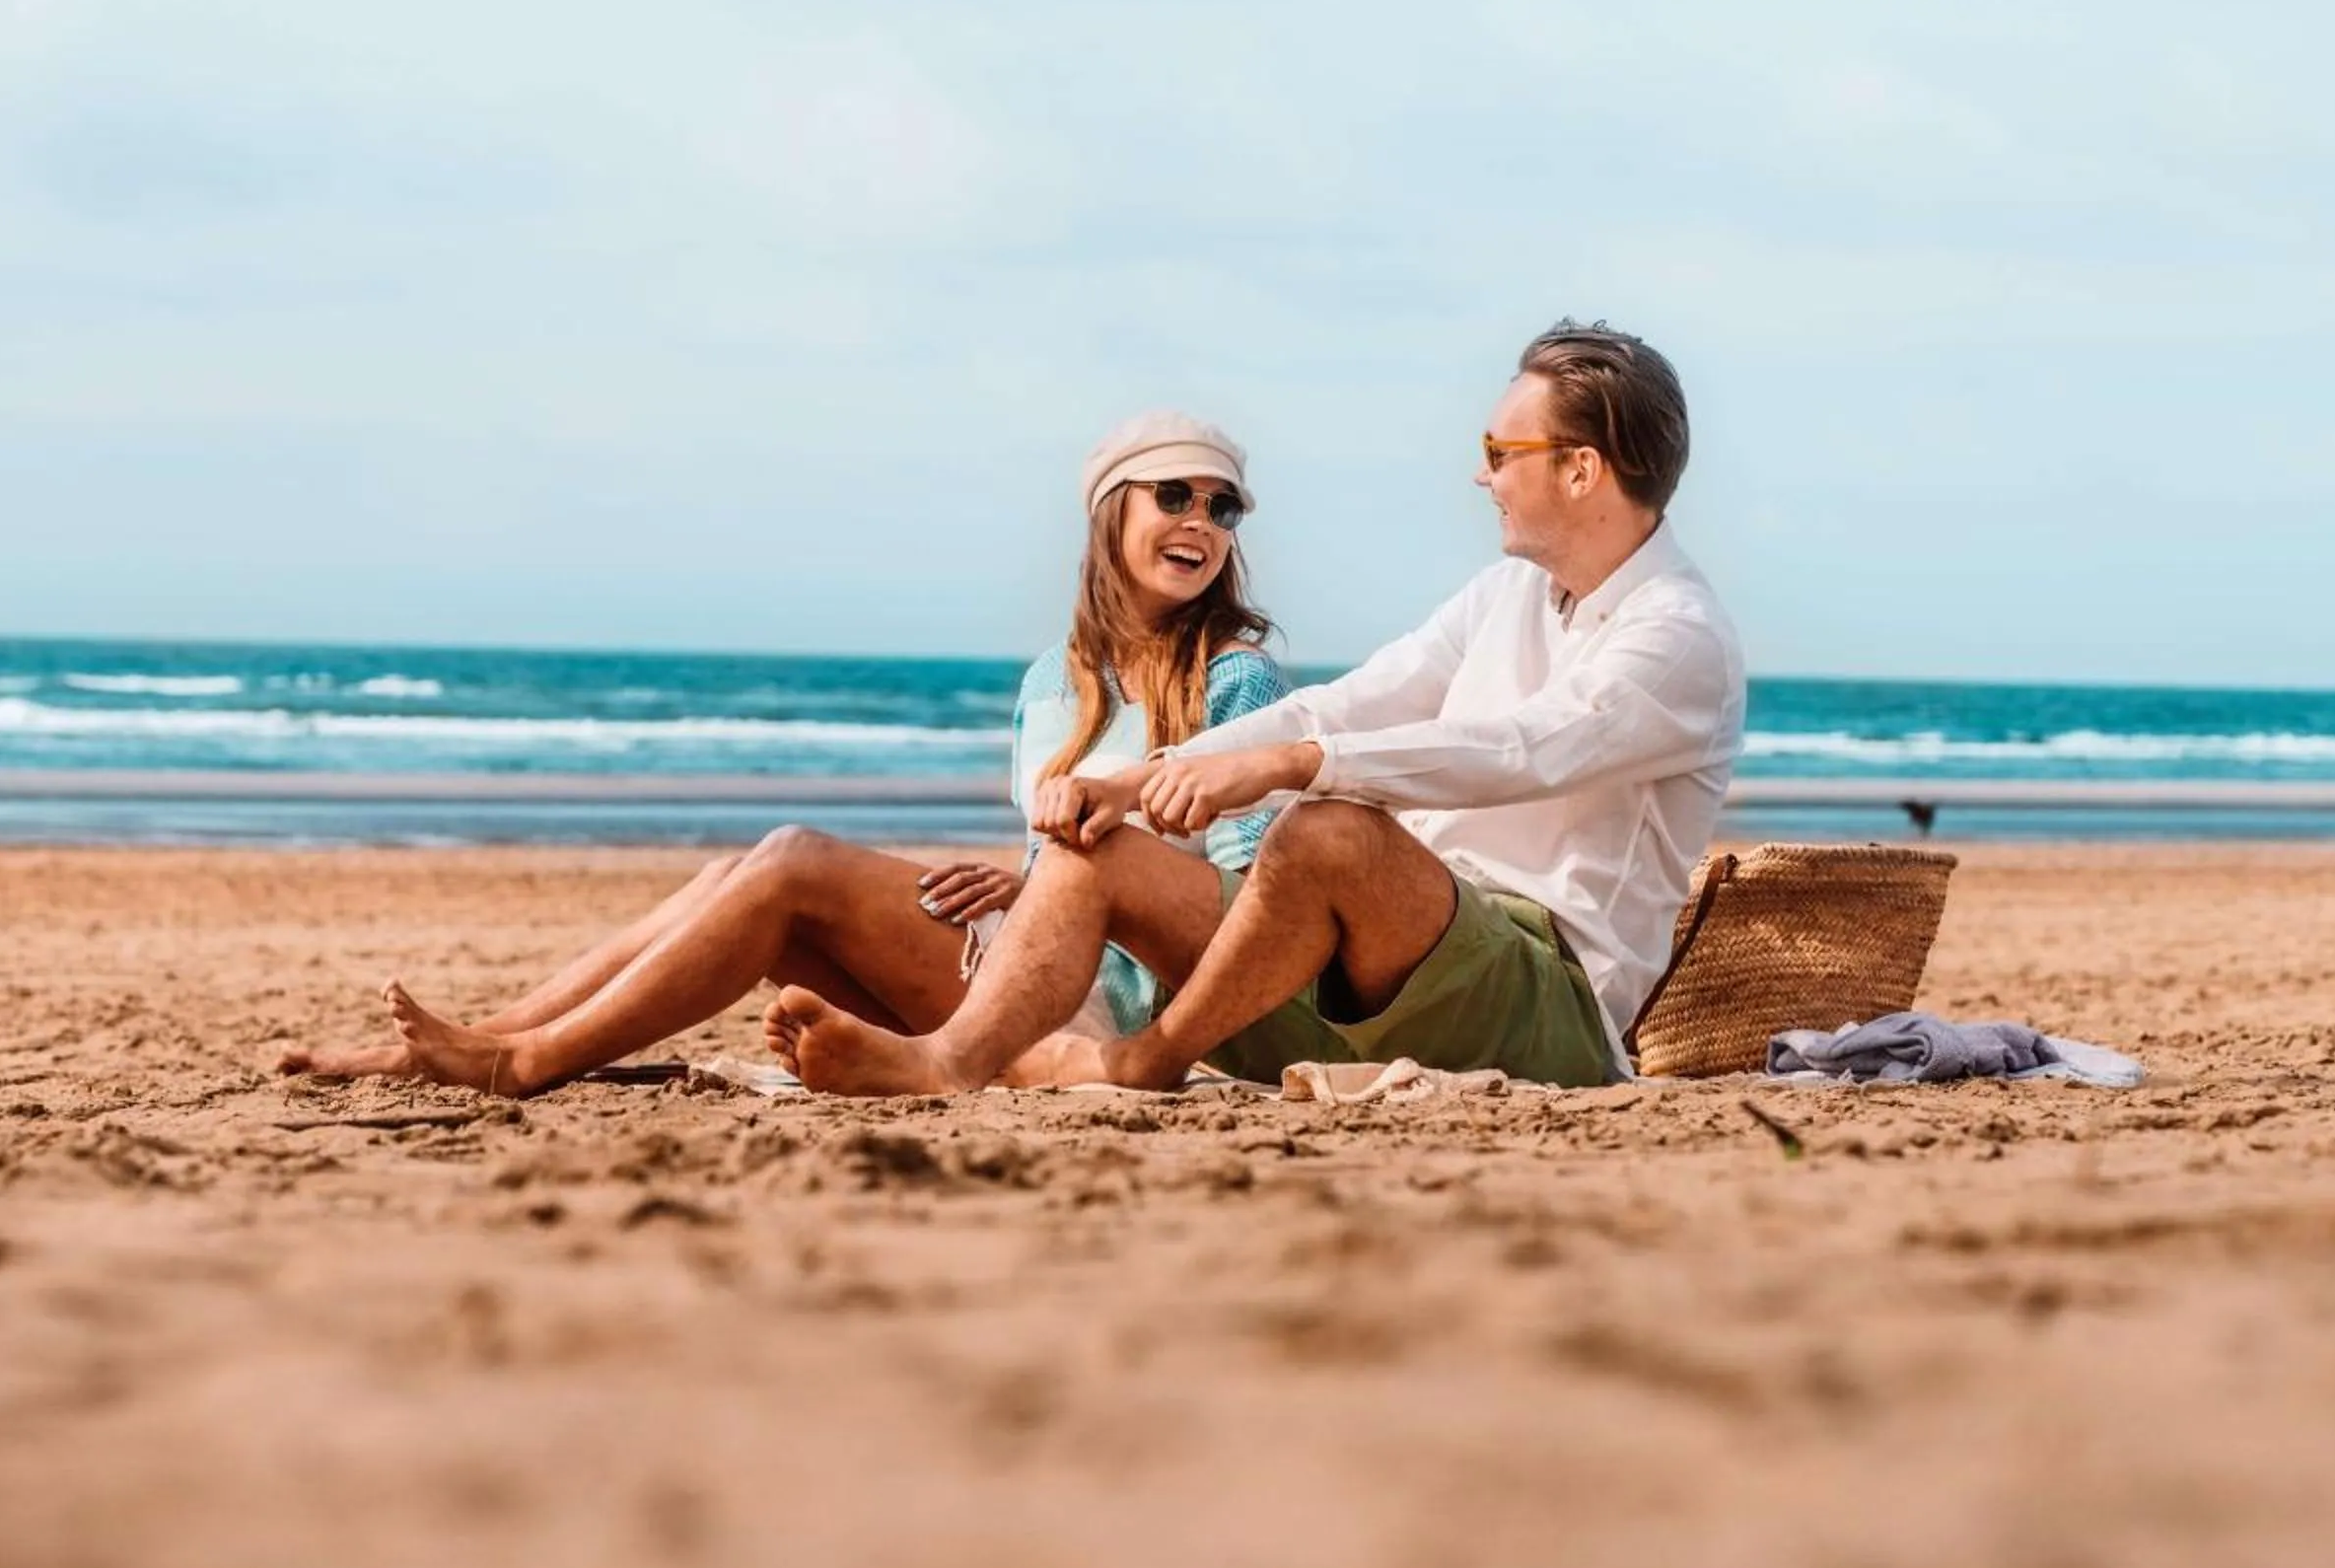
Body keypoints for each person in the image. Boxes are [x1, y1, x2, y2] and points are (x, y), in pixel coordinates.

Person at [772, 319, 1745, 1096]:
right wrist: (1141, 780)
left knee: (1328, 832)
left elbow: (1523, 747)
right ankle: (948, 1058)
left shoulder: (1678, 635)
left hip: (1543, 995)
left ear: (1579, 467)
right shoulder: (1508, 596)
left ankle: (1149, 1058)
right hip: (1382, 960)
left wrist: (1285, 767)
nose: (1480, 472)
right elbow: (1352, 702)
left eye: (1500, 448)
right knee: (1097, 837)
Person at [278, 411, 1290, 1095]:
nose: (1201, 521)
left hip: (1125, 1005)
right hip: (1023, 969)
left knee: (796, 856)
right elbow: (1067, 862)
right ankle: (479, 1038)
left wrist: (1153, 1041)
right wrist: (1023, 883)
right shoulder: (1050, 684)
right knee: (743, 881)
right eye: (1175, 495)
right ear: (1114, 508)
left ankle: (528, 1059)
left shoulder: (1234, 680)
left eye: (1222, 505)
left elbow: (1249, 906)